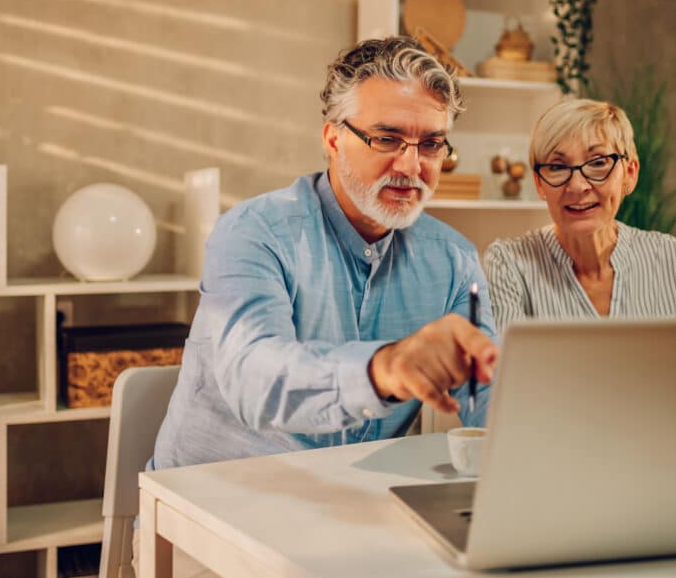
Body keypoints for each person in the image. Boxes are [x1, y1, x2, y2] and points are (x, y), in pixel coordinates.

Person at [151, 36, 499, 472]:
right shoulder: (254, 232)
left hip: (348, 503)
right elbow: (255, 380)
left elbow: (489, 393)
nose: (412, 168)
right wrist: (383, 369)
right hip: (207, 503)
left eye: (431, 144)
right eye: (387, 138)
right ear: (333, 139)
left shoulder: (452, 259)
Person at [484, 98, 676, 326]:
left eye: (598, 163)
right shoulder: (509, 264)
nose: (578, 186)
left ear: (630, 174)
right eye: (558, 167)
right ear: (539, 183)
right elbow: (502, 369)